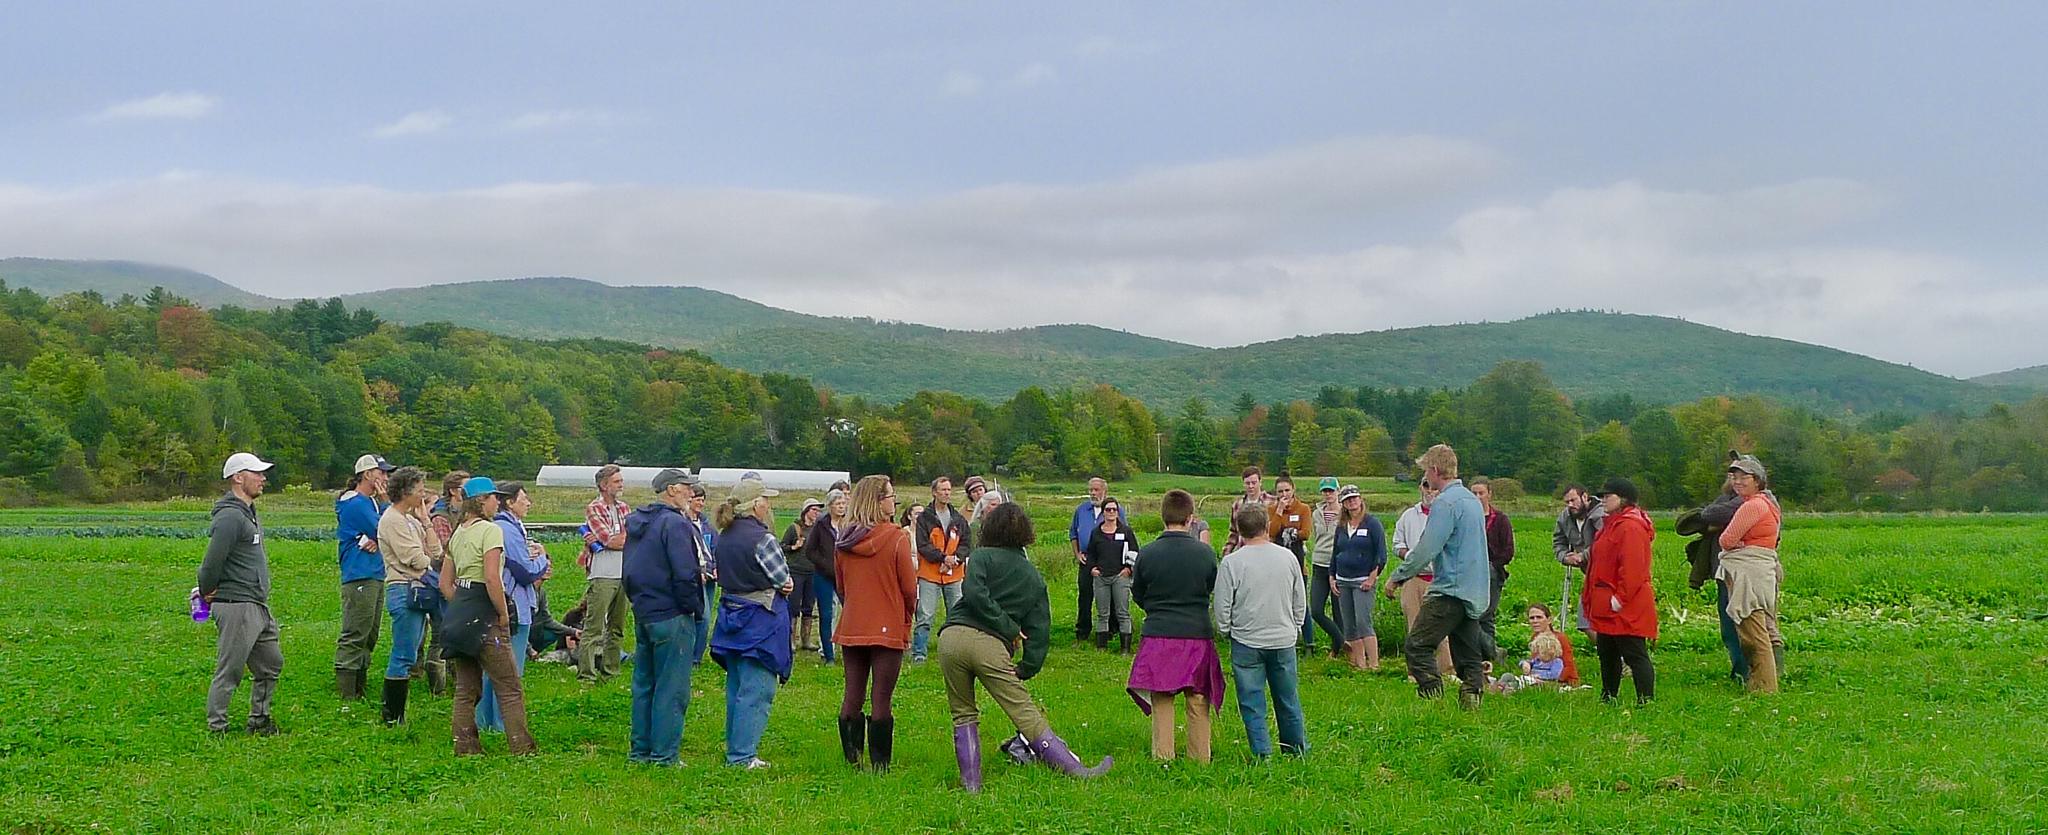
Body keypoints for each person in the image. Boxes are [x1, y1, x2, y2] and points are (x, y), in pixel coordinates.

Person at [941, 501, 1111, 793]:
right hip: (990, 646)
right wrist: (1026, 664)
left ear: (990, 528)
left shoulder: (980, 557)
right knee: (1022, 711)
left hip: (951, 638)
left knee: (963, 712)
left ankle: (971, 785)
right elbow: (1039, 630)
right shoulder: (1033, 576)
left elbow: (973, 592)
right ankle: (1076, 770)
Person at [1386, 445, 1493, 707]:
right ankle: (1471, 700)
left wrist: (1398, 576)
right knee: (1467, 654)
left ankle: (1433, 700)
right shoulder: (1471, 501)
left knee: (1417, 645)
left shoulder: (1445, 503)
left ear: (1434, 470)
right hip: (1474, 589)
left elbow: (1427, 547)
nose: (1426, 477)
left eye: (1426, 470)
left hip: (1449, 589)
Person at [437, 476, 536, 755]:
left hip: (460, 610)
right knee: (509, 685)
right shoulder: (490, 531)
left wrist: (463, 603)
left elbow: (445, 584)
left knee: (466, 688)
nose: (497, 502)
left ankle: (465, 745)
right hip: (485, 610)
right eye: (494, 497)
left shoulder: (458, 533)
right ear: (481, 501)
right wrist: (503, 614)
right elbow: (493, 578)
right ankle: (522, 746)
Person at [1128, 489, 1223, 763]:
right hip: (1196, 633)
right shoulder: (1205, 554)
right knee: (1198, 697)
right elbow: (1209, 588)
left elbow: (1138, 592)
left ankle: (1163, 756)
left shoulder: (1147, 553)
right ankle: (1200, 756)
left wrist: (1155, 610)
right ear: (1191, 518)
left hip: (1159, 632)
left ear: (1162, 517)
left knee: (1162, 697)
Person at [832, 475, 917, 770]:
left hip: (852, 625)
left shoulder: (844, 540)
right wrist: (907, 616)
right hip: (887, 627)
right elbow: (909, 588)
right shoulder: (896, 538)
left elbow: (841, 587)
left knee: (852, 695)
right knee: (881, 698)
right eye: (890, 496)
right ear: (878, 502)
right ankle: (880, 765)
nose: (894, 501)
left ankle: (852, 759)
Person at [709, 478, 795, 769]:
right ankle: (742, 755)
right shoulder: (763, 538)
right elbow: (783, 580)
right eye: (766, 500)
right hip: (760, 619)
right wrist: (785, 585)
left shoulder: (724, 534)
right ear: (756, 505)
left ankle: (735, 747)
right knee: (757, 690)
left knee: (736, 686)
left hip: (730, 614)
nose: (769, 505)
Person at [623, 468, 706, 766]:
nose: (691, 494)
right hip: (672, 613)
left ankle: (640, 751)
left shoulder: (638, 523)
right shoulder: (675, 524)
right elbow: (685, 573)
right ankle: (664, 756)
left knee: (645, 684)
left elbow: (629, 570)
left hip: (644, 611)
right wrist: (694, 607)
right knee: (672, 688)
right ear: (671, 490)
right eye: (687, 488)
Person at [1214, 504, 1309, 757]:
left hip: (1246, 640)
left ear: (1240, 531)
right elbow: (1299, 597)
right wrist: (1296, 625)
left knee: (1252, 701)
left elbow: (1222, 604)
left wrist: (1225, 629)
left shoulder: (1232, 563)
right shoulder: (1287, 558)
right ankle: (1295, 750)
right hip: (1282, 638)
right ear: (1267, 526)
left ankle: (1262, 753)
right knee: (1288, 699)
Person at [199, 452, 281, 736]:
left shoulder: (249, 513)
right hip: (236, 604)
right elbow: (210, 565)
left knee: (271, 664)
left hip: (257, 603)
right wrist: (208, 592)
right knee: (230, 669)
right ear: (238, 477)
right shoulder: (231, 517)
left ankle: (260, 720)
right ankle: (217, 728)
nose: (263, 478)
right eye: (256, 473)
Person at [478, 482, 549, 734]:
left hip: (503, 604)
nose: (528, 503)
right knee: (509, 670)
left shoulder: (503, 527)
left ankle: (484, 721)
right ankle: (500, 725)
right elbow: (526, 569)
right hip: (514, 606)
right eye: (524, 498)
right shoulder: (507, 529)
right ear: (510, 502)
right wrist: (542, 556)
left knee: (492, 668)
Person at [377, 466, 443, 725]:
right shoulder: (392, 520)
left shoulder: (410, 519)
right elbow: (413, 558)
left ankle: (395, 714)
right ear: (404, 492)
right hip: (403, 589)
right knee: (404, 652)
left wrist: (426, 520)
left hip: (416, 589)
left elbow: (435, 551)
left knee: (411, 648)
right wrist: (431, 566)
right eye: (418, 491)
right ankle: (392, 715)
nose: (422, 495)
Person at [1585, 477, 1657, 705]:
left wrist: (1620, 599)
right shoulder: (1612, 524)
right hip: (1608, 600)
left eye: (1608, 496)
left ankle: (1645, 700)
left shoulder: (1630, 526)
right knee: (1607, 653)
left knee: (1634, 653)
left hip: (1625, 602)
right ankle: (1608, 697)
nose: (1603, 500)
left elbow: (1634, 567)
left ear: (1624, 499)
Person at [1716, 457, 1784, 694]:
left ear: (1757, 480)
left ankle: (1764, 687)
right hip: (1762, 571)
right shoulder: (1768, 504)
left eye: (1744, 477)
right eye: (1734, 477)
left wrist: (1739, 545)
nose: (1738, 482)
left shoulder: (1752, 506)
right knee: (1760, 629)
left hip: (1750, 574)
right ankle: (1763, 682)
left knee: (1754, 632)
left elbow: (1725, 540)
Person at [334, 453, 394, 702]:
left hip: (374, 573)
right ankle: (347, 690)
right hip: (360, 575)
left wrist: (376, 540)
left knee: (370, 632)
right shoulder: (356, 502)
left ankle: (359, 684)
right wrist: (385, 502)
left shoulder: (368, 503)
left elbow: (382, 532)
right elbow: (387, 529)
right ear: (367, 474)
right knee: (356, 630)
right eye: (381, 472)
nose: (386, 477)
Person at [1383, 480, 1452, 676]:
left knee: (1441, 628)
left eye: (1434, 487)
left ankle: (1447, 670)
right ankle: (1418, 672)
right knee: (1414, 627)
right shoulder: (1408, 516)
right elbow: (1397, 544)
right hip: (1413, 578)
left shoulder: (1447, 514)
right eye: (1426, 486)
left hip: (1439, 579)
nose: (1430, 491)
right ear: (1420, 488)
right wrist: (1411, 557)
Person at [578, 464, 632, 684]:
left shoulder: (624, 507)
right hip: (603, 573)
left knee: (617, 626)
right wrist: (615, 540)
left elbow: (631, 539)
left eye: (621, 481)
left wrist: (616, 540)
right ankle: (587, 674)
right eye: (617, 481)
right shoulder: (594, 508)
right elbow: (610, 539)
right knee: (594, 626)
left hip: (624, 572)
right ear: (604, 485)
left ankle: (611, 670)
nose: (621, 485)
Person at [912, 477, 973, 663]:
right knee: (925, 614)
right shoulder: (925, 518)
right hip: (929, 574)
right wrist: (942, 558)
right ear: (934, 492)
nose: (946, 493)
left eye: (949, 490)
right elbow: (922, 545)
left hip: (954, 574)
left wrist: (956, 559)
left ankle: (955, 652)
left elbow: (966, 542)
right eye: (943, 490)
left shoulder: (958, 519)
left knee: (956, 613)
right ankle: (919, 653)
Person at [418, 469, 467, 696]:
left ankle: (457, 679)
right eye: (465, 487)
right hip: (441, 579)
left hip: (460, 577)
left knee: (457, 629)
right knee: (442, 630)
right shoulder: (441, 517)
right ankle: (437, 686)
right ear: (454, 491)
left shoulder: (463, 513)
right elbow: (442, 550)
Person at [1330, 485, 1386, 671]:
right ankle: (1360, 664)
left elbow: (1381, 554)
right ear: (1343, 504)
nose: (1352, 502)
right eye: (1347, 500)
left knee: (1363, 621)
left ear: (1360, 499)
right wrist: (1332, 576)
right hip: (1343, 579)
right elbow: (1335, 553)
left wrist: (1372, 577)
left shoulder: (1372, 523)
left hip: (1363, 580)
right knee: (1349, 624)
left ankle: (1374, 664)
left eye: (1354, 498)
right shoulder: (1341, 526)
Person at [1081, 497, 1141, 652]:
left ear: (1118, 512)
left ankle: (1125, 648)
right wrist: (1092, 569)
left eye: (1114, 509)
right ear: (1103, 512)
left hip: (1120, 576)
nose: (1111, 512)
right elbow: (1091, 553)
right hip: (1101, 577)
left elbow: (1135, 552)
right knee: (1102, 613)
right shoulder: (1096, 533)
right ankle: (1102, 647)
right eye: (1108, 509)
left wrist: (1128, 569)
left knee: (1122, 612)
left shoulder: (1125, 531)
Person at [1264, 475, 1315, 651]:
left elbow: (1306, 532)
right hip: (1276, 562)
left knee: (1301, 602)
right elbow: (1271, 531)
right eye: (1280, 491)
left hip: (1298, 561)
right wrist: (1279, 511)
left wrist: (1291, 533)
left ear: (1293, 489)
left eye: (1287, 490)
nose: (1284, 494)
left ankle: (1309, 642)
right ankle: (1284, 640)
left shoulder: (1303, 509)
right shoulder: (1271, 509)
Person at [1551, 484, 1605, 641]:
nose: (1570, 505)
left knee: (1609, 622)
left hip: (1607, 574)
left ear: (1585, 497)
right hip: (1589, 575)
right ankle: (1613, 655)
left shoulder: (1600, 515)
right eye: (1567, 502)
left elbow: (1604, 542)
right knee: (1584, 622)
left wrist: (1583, 556)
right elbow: (1558, 541)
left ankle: (1620, 658)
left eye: (1573, 500)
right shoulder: (1565, 517)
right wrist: (1565, 557)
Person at [1470, 477, 1514, 656]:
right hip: (1470, 572)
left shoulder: (1500, 519)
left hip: (1492, 572)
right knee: (1472, 616)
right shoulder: (1467, 519)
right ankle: (1490, 652)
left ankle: (1489, 654)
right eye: (1474, 493)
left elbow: (1508, 550)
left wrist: (1493, 565)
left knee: (1485, 615)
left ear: (1489, 494)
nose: (1478, 497)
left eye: (1481, 493)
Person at [806, 488, 850, 664]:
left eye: (843, 504)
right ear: (830, 506)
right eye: (838, 504)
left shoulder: (849, 524)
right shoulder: (821, 525)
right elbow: (810, 551)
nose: (841, 507)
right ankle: (828, 655)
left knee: (849, 611)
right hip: (823, 575)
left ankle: (850, 651)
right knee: (826, 614)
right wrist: (826, 565)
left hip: (845, 575)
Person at [1306, 476, 1346, 657]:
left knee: (1339, 611)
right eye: (1325, 491)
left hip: (1338, 565)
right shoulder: (1316, 514)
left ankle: (1337, 651)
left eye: (1331, 490)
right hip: (1319, 564)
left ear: (1338, 491)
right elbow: (1314, 535)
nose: (1328, 494)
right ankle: (1341, 640)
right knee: (1316, 609)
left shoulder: (1345, 513)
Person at [1066, 477, 1107, 639]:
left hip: (1106, 559)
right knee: (1085, 595)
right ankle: (1082, 630)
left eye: (1096, 490)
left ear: (1104, 491)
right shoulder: (1081, 510)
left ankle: (1109, 630)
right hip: (1086, 559)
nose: (1093, 493)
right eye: (1091, 490)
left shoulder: (1113, 509)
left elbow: (1123, 532)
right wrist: (1077, 554)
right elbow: (1073, 533)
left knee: (1107, 596)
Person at [782, 498, 825, 654]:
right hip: (796, 571)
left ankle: (805, 639)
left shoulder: (819, 529)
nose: (817, 513)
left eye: (818, 511)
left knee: (808, 606)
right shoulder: (794, 528)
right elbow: (782, 546)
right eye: (814, 510)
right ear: (806, 511)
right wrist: (794, 547)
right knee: (793, 606)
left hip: (812, 572)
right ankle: (791, 639)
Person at [687, 482, 718, 667]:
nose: (700, 504)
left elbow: (715, 547)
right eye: (697, 500)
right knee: (703, 617)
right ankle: (693, 658)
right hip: (695, 577)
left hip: (710, 577)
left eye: (702, 500)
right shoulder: (683, 523)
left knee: (705, 617)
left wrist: (716, 566)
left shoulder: (706, 525)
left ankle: (696, 655)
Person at [1524, 604, 1582, 687]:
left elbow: (1568, 666)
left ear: (1549, 620)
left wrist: (1553, 680)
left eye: (1539, 617)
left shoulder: (1560, 638)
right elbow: (1536, 661)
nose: (1535, 621)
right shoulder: (1534, 637)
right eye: (1532, 618)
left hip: (1560, 680)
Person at [1489, 632, 1565, 694]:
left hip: (1540, 682)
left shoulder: (1556, 662)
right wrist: (1525, 664)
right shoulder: (1537, 660)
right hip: (1528, 679)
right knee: (1507, 675)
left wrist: (1539, 676)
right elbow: (1527, 662)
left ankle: (1507, 689)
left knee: (1516, 685)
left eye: (1542, 653)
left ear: (1550, 652)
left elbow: (1554, 674)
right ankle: (1499, 685)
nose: (1538, 655)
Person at [1225, 467, 1269, 553]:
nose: (1251, 486)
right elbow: (1234, 531)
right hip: (1243, 549)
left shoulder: (1272, 502)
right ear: (1243, 484)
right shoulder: (1237, 505)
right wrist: (1227, 551)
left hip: (1265, 550)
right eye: (1247, 483)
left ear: (1260, 482)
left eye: (1254, 483)